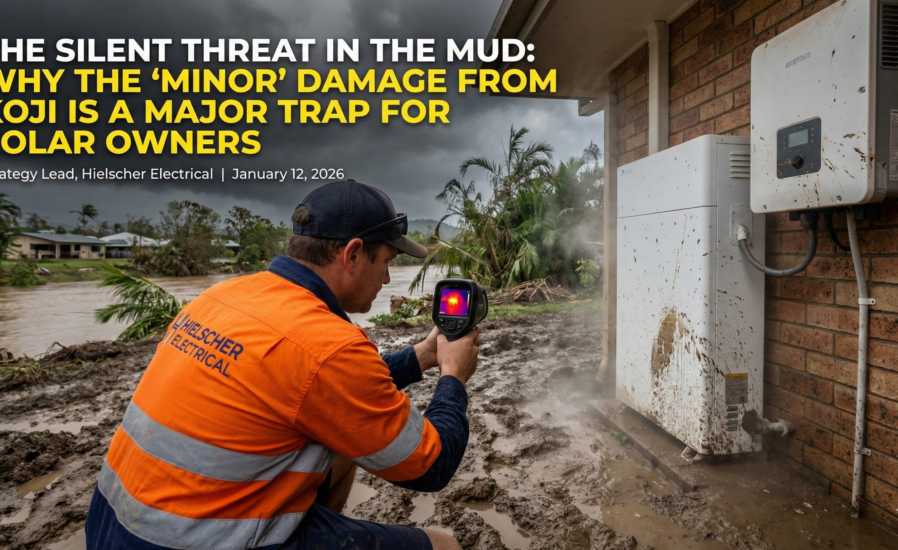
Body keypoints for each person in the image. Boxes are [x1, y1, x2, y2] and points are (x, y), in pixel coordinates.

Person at [85, 180, 481, 550]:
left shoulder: (222, 296)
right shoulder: (328, 345)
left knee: (341, 446)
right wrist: (453, 376)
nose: (388, 277)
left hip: (110, 525)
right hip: (193, 540)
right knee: (445, 546)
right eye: (386, 261)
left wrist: (423, 356)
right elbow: (432, 466)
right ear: (353, 254)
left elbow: (322, 388)